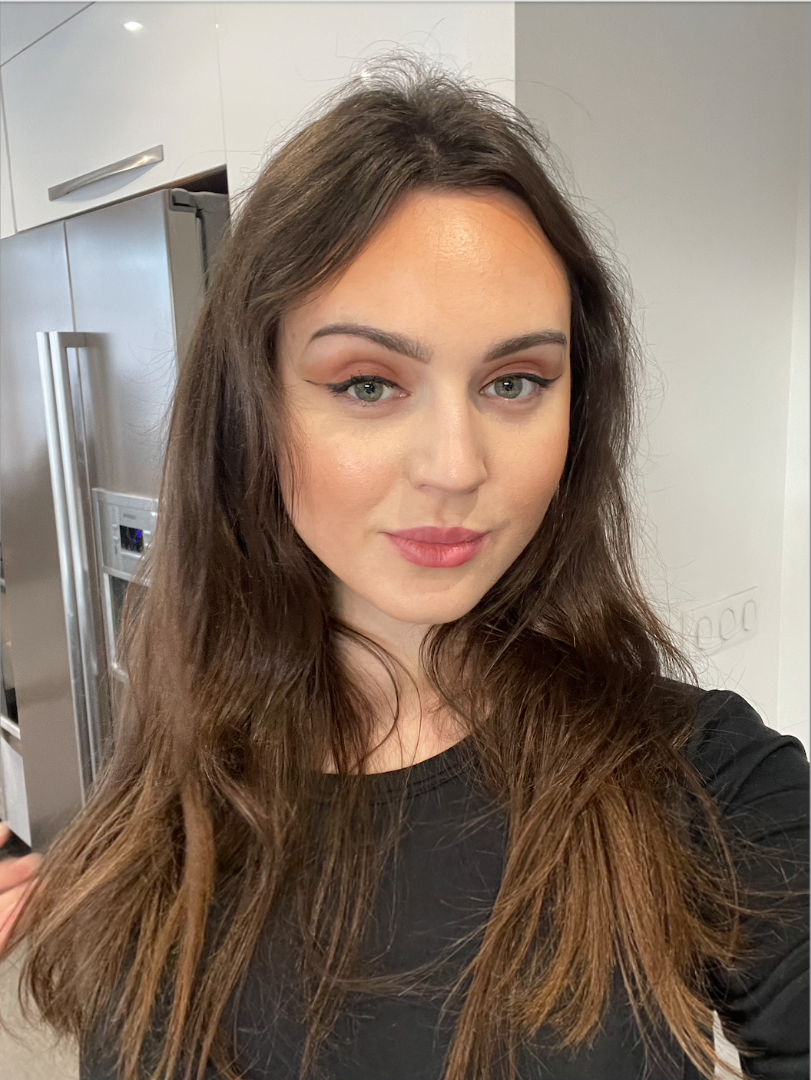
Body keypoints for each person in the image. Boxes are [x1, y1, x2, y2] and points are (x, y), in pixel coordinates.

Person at [0, 52, 807, 1080]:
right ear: (252, 408)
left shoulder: (702, 783)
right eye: (368, 385)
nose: (456, 467)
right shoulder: (169, 787)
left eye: (514, 382)